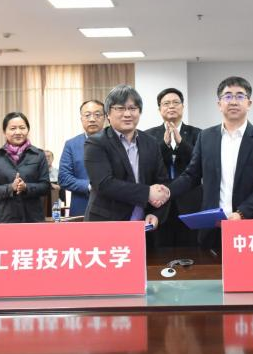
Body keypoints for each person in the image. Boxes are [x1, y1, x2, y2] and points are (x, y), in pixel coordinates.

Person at [168, 76, 253, 249]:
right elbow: (191, 175)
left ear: (249, 103)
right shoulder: (206, 137)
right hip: (213, 227)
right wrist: (167, 191)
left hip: (252, 225)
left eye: (240, 96)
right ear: (219, 104)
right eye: (228, 96)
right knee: (212, 267)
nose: (233, 101)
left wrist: (242, 213)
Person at [84, 85, 169, 232]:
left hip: (144, 225)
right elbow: (104, 184)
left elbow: (161, 182)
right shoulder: (95, 143)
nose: (127, 114)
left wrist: (155, 214)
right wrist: (147, 193)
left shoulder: (151, 142)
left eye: (133, 108)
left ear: (139, 112)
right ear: (108, 114)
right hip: (107, 224)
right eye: (120, 108)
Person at [145, 88, 202, 247]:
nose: (171, 106)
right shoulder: (147, 136)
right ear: (159, 109)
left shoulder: (199, 134)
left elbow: (201, 164)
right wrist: (163, 145)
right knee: (160, 252)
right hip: (158, 206)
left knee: (192, 251)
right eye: (166, 103)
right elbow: (147, 166)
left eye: (176, 102)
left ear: (183, 107)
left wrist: (182, 143)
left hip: (190, 203)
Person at [0, 112, 50, 223]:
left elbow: (45, 186)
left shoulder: (38, 155)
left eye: (22, 128)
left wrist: (26, 187)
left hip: (33, 218)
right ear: (4, 132)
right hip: (6, 218)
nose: (18, 132)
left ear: (28, 130)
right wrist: (11, 187)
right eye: (13, 128)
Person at [59, 100, 106, 217]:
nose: (92, 119)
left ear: (105, 117)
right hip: (82, 207)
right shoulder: (71, 145)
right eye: (87, 115)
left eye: (97, 114)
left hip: (113, 207)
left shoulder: (116, 142)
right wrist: (89, 186)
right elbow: (64, 178)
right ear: (81, 119)